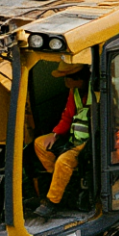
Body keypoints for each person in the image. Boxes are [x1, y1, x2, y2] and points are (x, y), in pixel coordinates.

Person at [32, 63, 93, 217]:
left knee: (63, 161)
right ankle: (60, 180)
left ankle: (52, 203)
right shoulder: (74, 92)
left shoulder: (97, 92)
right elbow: (67, 117)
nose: (64, 82)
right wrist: (55, 134)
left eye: (66, 78)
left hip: (90, 144)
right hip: (75, 140)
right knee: (40, 143)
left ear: (77, 78)